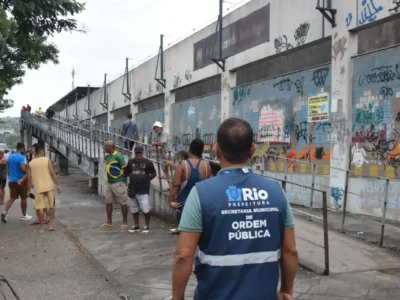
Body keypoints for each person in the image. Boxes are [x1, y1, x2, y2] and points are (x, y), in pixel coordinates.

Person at [171, 118, 298, 300]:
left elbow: (183, 255)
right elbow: (290, 250)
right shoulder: (277, 192)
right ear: (253, 150)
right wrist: (286, 290)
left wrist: (177, 297)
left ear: (217, 150)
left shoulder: (200, 194)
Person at [168, 139, 211, 234]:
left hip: (185, 206)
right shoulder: (207, 166)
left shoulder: (183, 165)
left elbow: (175, 185)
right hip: (201, 205)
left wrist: (171, 201)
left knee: (185, 236)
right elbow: (209, 187)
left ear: (189, 150)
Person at [125, 146, 157, 233]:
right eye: (137, 153)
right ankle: (136, 225)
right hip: (133, 188)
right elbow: (126, 172)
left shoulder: (148, 162)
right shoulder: (131, 162)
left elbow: (154, 173)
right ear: (135, 153)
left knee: (145, 207)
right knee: (134, 208)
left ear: (142, 153)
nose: (139, 155)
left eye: (140, 153)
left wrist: (147, 179)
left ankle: (146, 225)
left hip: (143, 189)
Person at [29, 144, 60, 233]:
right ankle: (51, 224)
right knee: (51, 206)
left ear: (36, 152)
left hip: (38, 187)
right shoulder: (47, 160)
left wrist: (29, 188)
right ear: (42, 152)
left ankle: (41, 228)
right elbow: (52, 173)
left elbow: (30, 177)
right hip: (49, 186)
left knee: (40, 208)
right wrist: (58, 185)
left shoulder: (31, 163)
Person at [1, 143, 32, 223]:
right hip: (20, 181)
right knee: (24, 198)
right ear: (22, 148)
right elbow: (22, 168)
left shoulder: (10, 156)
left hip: (11, 180)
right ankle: (24, 215)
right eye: (24, 149)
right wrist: (27, 170)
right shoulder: (22, 157)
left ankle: (4, 212)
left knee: (12, 198)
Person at [101, 141, 129, 230]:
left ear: (112, 147)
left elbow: (125, 169)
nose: (104, 148)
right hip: (110, 182)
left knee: (122, 202)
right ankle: (109, 222)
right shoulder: (108, 156)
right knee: (108, 202)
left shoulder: (118, 156)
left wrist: (123, 181)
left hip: (118, 183)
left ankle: (124, 222)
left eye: (106, 147)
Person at [28, 143, 50, 226]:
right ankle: (38, 218)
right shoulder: (33, 160)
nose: (32, 150)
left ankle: (47, 217)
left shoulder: (42, 160)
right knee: (36, 202)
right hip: (35, 183)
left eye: (33, 148)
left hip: (41, 183)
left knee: (41, 201)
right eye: (32, 148)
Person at [152, 121, 173, 189]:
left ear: (161, 128)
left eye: (157, 127)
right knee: (165, 171)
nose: (156, 129)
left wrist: (155, 143)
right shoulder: (158, 135)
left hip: (168, 154)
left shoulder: (164, 133)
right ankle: (170, 185)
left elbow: (162, 143)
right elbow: (160, 145)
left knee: (168, 170)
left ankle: (172, 185)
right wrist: (155, 146)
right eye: (155, 128)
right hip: (163, 154)